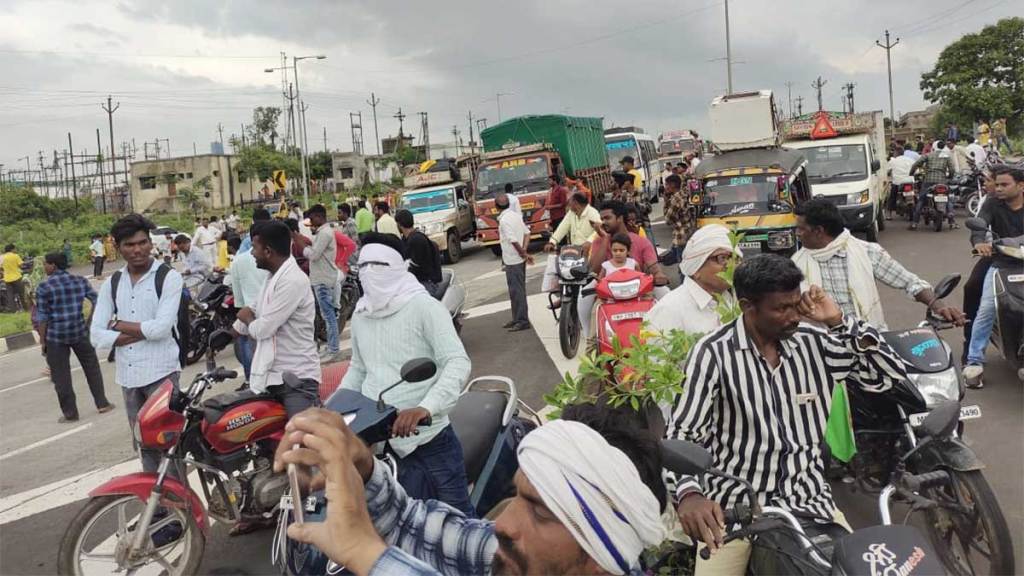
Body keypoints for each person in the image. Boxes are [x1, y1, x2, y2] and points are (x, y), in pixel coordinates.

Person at [667, 255, 908, 575]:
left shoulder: (816, 344)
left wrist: (839, 322)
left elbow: (888, 378)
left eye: (797, 304)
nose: (794, 316)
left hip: (811, 505)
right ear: (747, 306)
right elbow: (682, 434)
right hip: (736, 514)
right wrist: (690, 494)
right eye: (782, 308)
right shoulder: (712, 354)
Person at [274, 402, 667, 576]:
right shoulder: (519, 557)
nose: (503, 524)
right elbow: (414, 525)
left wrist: (366, 552)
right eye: (518, 496)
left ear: (604, 556)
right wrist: (364, 468)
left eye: (542, 511)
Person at [340, 235, 474, 514]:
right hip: (381, 439)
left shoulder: (424, 307)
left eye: (376, 265)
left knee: (459, 522)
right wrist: (334, 411)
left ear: (396, 267)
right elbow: (359, 369)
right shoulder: (362, 315)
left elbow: (457, 362)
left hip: (430, 439)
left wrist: (425, 407)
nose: (367, 273)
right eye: (362, 266)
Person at [90, 214, 184, 475]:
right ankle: (159, 511)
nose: (138, 249)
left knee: (169, 450)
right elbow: (96, 335)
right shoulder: (113, 283)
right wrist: (143, 329)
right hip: (129, 378)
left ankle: (179, 510)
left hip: (161, 375)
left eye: (143, 242)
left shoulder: (168, 278)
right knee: (144, 447)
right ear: (118, 247)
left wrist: (117, 324)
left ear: (150, 243)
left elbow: (162, 329)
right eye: (130, 245)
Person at [793, 198, 963, 330]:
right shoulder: (794, 265)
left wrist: (939, 307)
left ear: (818, 231)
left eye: (800, 229)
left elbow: (909, 282)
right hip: (822, 349)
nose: (797, 234)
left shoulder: (866, 252)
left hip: (871, 341)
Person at [963, 164, 1024, 388]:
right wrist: (980, 242)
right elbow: (980, 226)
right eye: (996, 184)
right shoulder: (991, 202)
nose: (998, 188)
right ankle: (974, 361)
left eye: (1004, 185)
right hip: (1001, 263)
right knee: (987, 307)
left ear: (1020, 185)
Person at [36, 252, 114, 423]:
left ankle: (71, 414)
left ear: (53, 265)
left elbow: (42, 317)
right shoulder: (80, 281)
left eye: (45, 264)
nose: (44, 267)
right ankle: (102, 403)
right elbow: (97, 301)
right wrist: (90, 322)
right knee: (92, 367)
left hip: (56, 336)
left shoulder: (44, 287)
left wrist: (43, 341)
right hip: (80, 332)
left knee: (61, 375)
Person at [646, 224, 740, 336]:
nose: (731, 265)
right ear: (696, 268)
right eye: (722, 258)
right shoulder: (668, 311)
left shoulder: (734, 300)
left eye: (735, 258)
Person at [303, 204, 342, 362]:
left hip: (324, 280)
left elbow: (313, 255)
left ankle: (333, 349)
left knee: (329, 317)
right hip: (322, 278)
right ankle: (331, 347)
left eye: (312, 219)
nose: (311, 223)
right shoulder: (322, 232)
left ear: (319, 217)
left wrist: (301, 246)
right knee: (327, 316)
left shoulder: (325, 233)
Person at [229, 233, 269, 383]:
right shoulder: (278, 265)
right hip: (259, 314)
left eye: (254, 247)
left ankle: (250, 381)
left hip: (251, 315)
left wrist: (242, 320)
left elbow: (239, 299)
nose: (253, 253)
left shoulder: (239, 260)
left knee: (250, 349)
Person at [497, 192, 533, 332]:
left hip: (512, 260)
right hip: (516, 259)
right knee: (515, 290)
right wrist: (524, 251)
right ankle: (517, 318)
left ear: (496, 207)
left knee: (517, 291)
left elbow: (512, 240)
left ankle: (522, 321)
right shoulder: (515, 216)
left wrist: (523, 252)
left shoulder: (504, 221)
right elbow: (527, 233)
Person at [395, 209, 443, 297]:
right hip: (418, 283)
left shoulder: (416, 240)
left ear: (399, 224)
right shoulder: (407, 239)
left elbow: (414, 266)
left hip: (425, 284)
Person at [909, 140, 955, 230]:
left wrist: (911, 173)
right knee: (948, 199)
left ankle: (915, 223)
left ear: (934, 147)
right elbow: (952, 169)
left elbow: (916, 164)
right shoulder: (947, 156)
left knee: (921, 200)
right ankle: (952, 222)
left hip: (928, 181)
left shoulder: (929, 155)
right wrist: (950, 177)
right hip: (942, 181)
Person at [664, 174, 694, 263]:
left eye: (667, 184)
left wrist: (666, 203)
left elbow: (668, 219)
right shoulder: (684, 194)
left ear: (672, 185)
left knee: (682, 266)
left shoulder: (675, 199)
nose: (666, 187)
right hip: (689, 231)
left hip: (681, 235)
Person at [2, 244, 28, 312]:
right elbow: (21, 265)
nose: (15, 250)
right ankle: (26, 309)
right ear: (12, 249)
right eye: (14, 249)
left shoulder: (2, 257)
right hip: (16, 277)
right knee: (21, 293)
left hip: (7, 278)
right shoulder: (15, 256)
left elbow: (1, 267)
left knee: (10, 295)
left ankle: (13, 310)